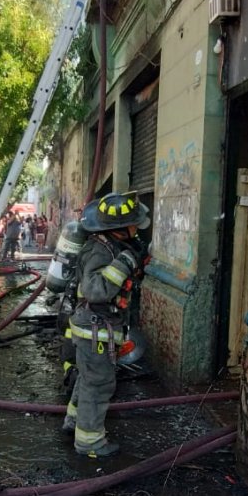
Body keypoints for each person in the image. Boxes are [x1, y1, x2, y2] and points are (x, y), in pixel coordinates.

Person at [65, 192, 150, 458]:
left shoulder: (109, 245)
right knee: (99, 383)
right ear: (119, 228)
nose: (137, 228)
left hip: (96, 327)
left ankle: (74, 422)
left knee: (88, 378)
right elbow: (96, 290)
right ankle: (89, 443)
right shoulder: (101, 250)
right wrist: (125, 263)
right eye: (133, 223)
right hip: (95, 329)